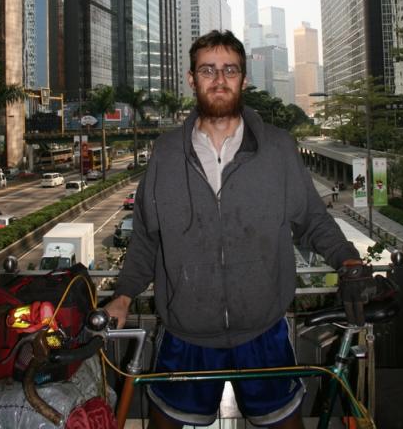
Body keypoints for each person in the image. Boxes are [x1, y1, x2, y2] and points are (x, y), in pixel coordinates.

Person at [106, 30, 375, 429]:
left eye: (229, 69)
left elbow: (313, 220)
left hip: (263, 332)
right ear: (191, 78)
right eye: (208, 70)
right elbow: (148, 236)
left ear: (244, 78)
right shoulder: (165, 154)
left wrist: (349, 261)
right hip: (185, 335)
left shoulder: (279, 148)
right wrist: (124, 296)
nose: (219, 79)